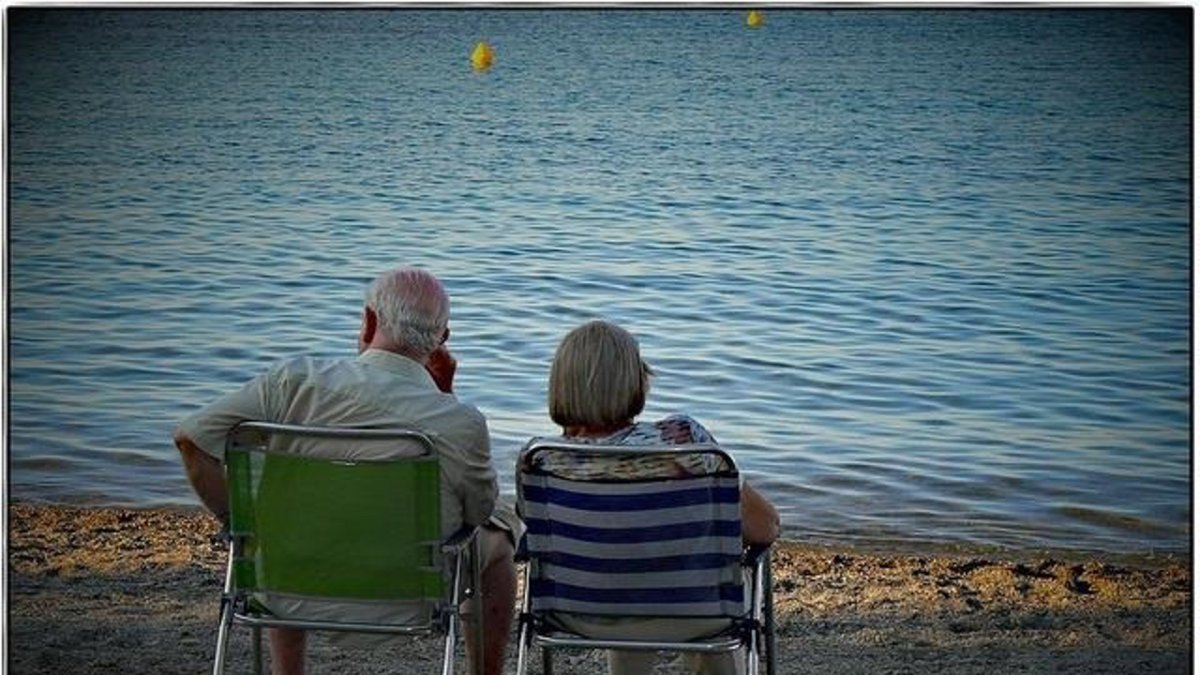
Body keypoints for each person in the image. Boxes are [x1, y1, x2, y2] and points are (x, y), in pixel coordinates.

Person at [173, 266, 518, 675]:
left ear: (369, 321)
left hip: (285, 587)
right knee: (500, 535)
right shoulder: (459, 422)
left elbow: (191, 440)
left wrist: (245, 526)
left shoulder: (293, 383)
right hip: (407, 598)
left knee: (285, 525)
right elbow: (478, 510)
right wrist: (446, 398)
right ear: (442, 339)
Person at [526, 319, 780, 675]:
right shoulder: (685, 440)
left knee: (623, 562)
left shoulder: (540, 459)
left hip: (578, 614)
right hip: (697, 614)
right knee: (713, 563)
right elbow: (765, 528)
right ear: (634, 380)